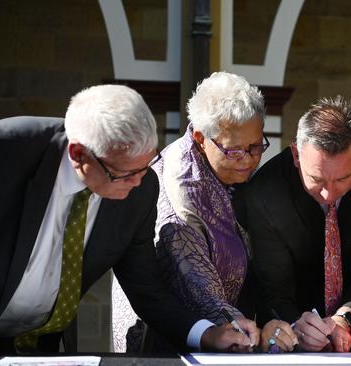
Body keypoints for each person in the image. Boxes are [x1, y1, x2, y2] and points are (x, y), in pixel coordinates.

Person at [0, 84, 256, 361]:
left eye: (145, 167)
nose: (138, 182)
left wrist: (206, 333)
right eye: (124, 173)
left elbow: (145, 287)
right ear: (78, 154)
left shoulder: (142, 187)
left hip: (42, 349)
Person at [111, 72, 298, 354]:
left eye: (256, 146)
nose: (248, 159)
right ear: (200, 138)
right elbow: (197, 288)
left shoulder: (236, 170)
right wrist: (243, 328)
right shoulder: (181, 191)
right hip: (174, 340)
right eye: (235, 151)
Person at [235, 95, 351, 353]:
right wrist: (296, 324)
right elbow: (273, 285)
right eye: (317, 179)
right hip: (296, 333)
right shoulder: (266, 192)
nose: (328, 194)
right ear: (296, 155)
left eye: (342, 179)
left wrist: (347, 316)